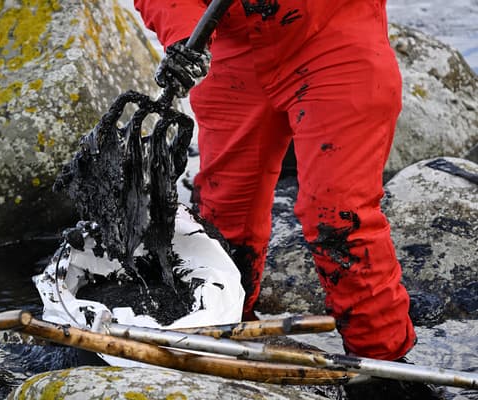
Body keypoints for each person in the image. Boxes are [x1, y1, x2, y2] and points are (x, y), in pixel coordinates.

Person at [133, 0, 417, 364]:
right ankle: (225, 334)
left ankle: (382, 359)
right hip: (233, 49)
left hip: (332, 34)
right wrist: (186, 36)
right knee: (221, 224)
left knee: (338, 217)